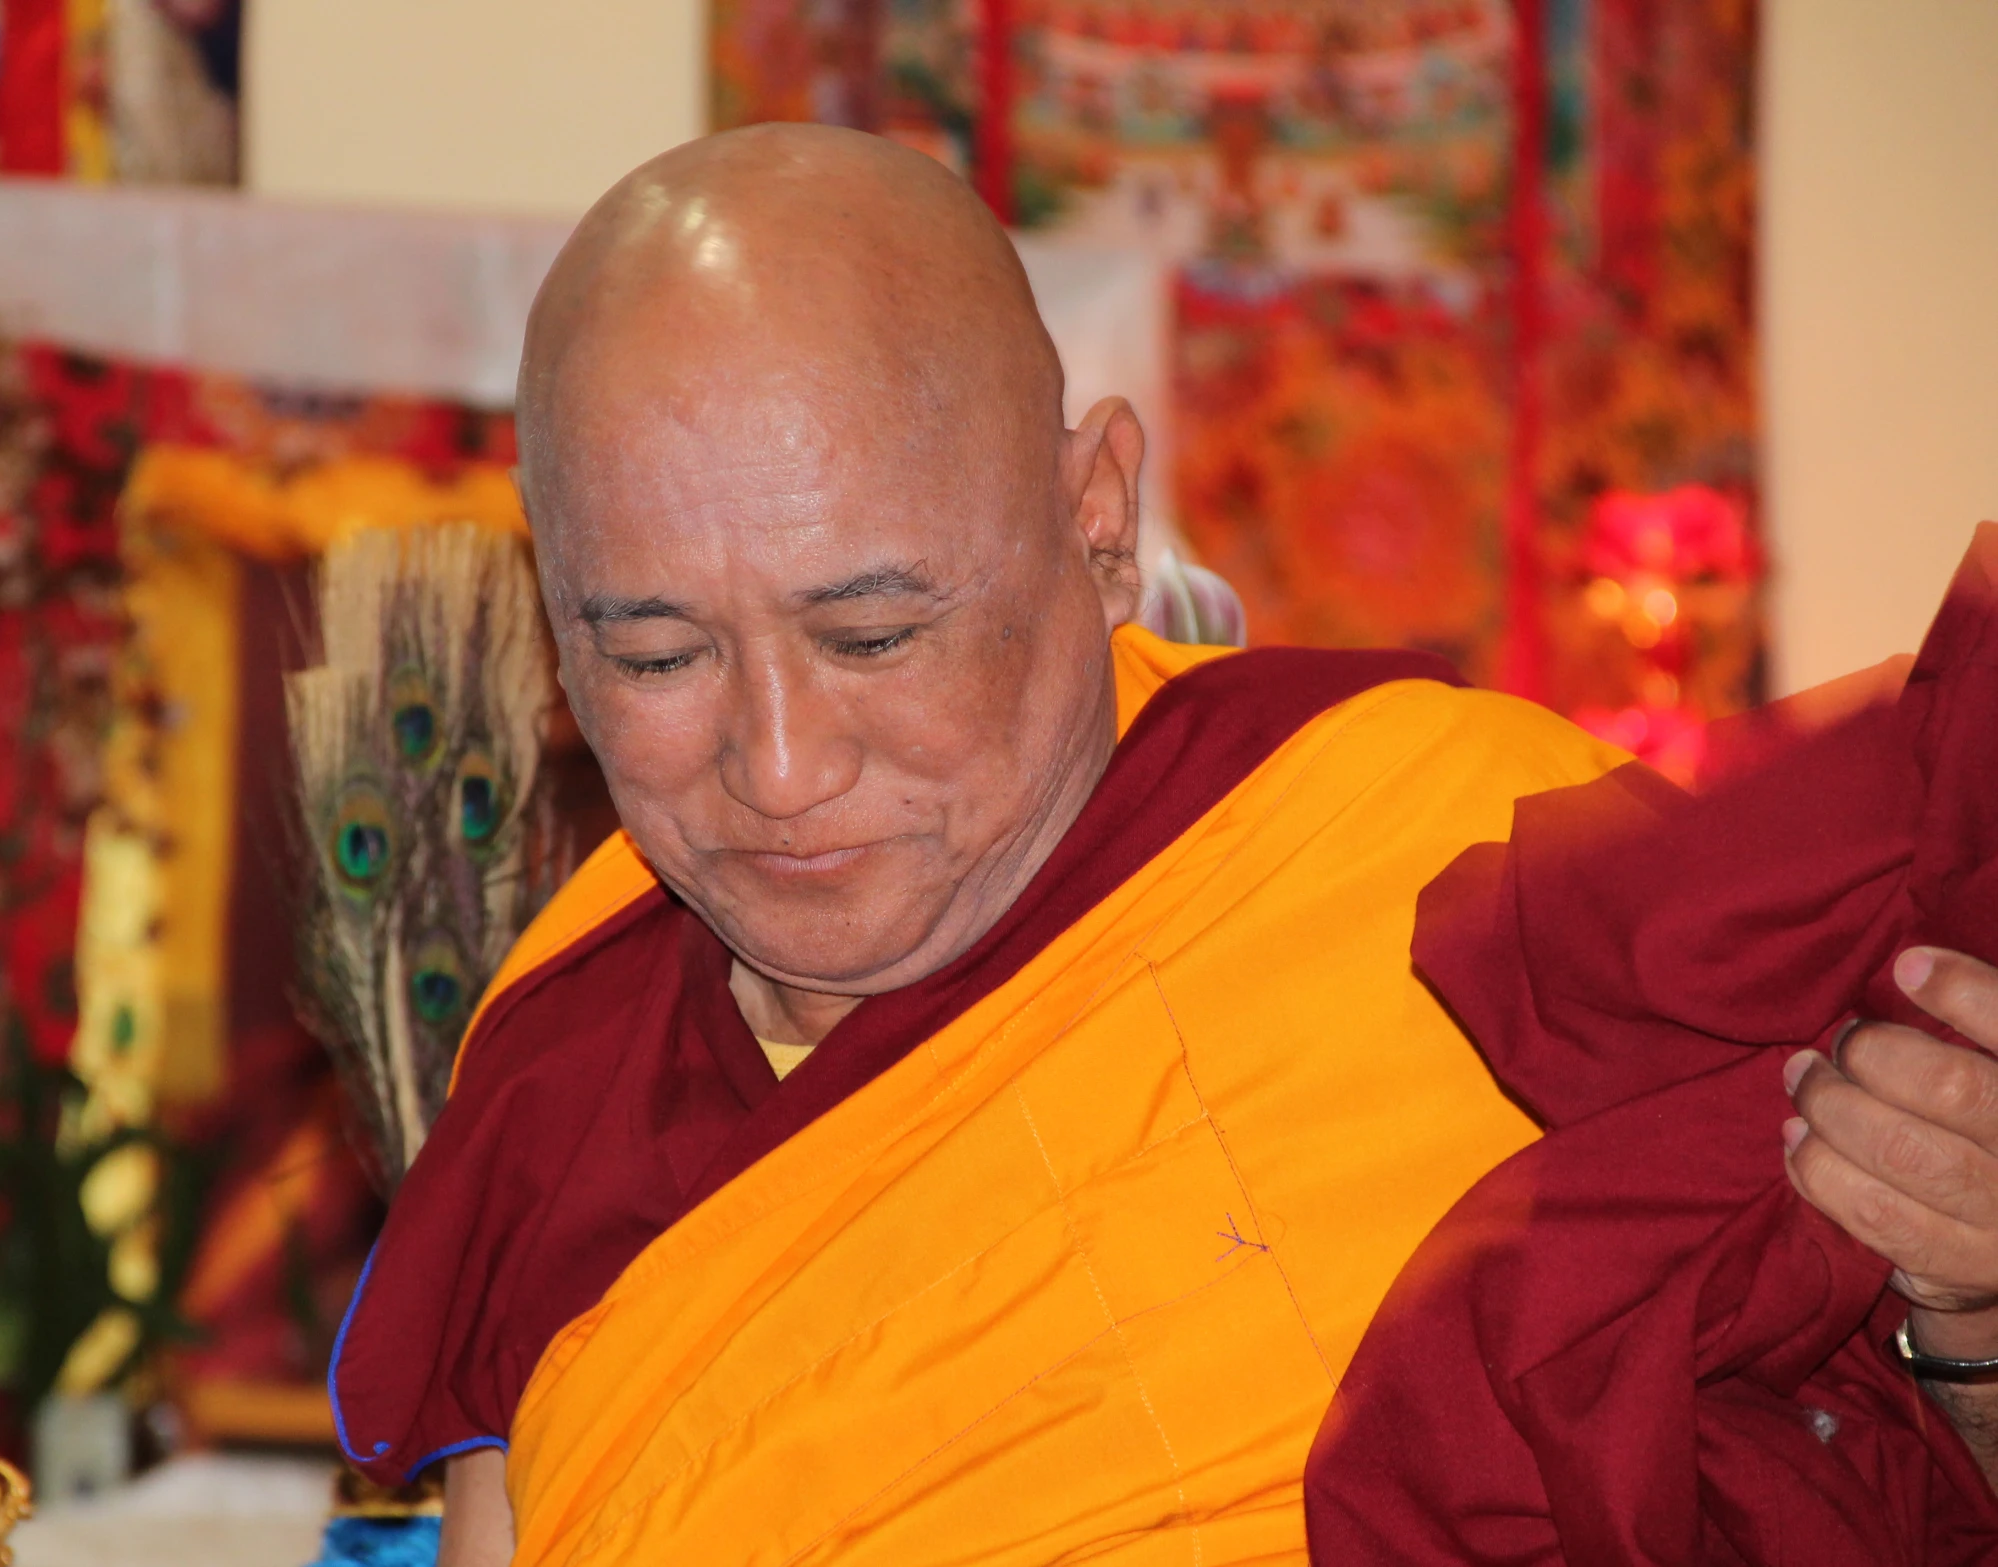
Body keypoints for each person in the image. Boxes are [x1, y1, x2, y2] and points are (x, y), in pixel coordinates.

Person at [326, 125, 1998, 1564]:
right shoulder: (562, 1071)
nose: (775, 766)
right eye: (656, 657)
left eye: (875, 636)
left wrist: (1975, 1322)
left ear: (1097, 522)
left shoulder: (1463, 865)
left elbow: (1888, 1495)